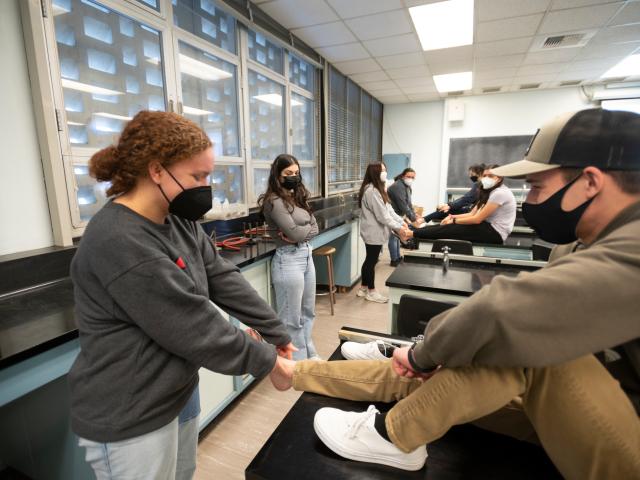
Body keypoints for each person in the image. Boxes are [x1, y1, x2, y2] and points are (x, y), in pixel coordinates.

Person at [270, 108, 640, 478]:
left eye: (539, 186)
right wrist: (426, 359)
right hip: (581, 410)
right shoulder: (581, 244)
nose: (532, 198)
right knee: (434, 376)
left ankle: (396, 434)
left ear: (590, 182)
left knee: (522, 344)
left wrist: (424, 353)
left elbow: (507, 312)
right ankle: (301, 373)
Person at [68, 111, 295, 479]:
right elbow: (192, 325)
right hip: (132, 409)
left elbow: (220, 275)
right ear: (157, 170)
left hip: (176, 388)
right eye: (198, 176)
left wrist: (275, 331)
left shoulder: (176, 219)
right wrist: (267, 361)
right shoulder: (119, 239)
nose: (206, 186)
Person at [259, 154, 320, 361]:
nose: (294, 177)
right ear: (278, 175)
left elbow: (314, 226)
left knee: (308, 312)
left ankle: (308, 353)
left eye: (296, 173)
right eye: (288, 173)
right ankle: (297, 362)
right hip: (288, 259)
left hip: (305, 254)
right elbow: (294, 234)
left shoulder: (296, 197)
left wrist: (299, 232)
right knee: (291, 318)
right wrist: (301, 232)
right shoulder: (274, 201)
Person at [408, 165, 516, 245]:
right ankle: (413, 232)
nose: (486, 178)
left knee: (452, 229)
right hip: (487, 227)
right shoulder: (488, 191)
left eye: (490, 176)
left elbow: (477, 219)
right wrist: (452, 217)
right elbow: (472, 213)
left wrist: (453, 220)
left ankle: (411, 233)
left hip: (495, 233)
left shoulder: (500, 193)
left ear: (499, 178)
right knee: (448, 225)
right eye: (485, 176)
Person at [356, 163, 411, 303]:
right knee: (371, 261)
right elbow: (383, 216)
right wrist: (399, 228)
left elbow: (389, 210)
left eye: (386, 170)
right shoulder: (372, 191)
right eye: (382, 170)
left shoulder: (379, 189)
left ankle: (363, 288)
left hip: (376, 231)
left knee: (369, 259)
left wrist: (401, 222)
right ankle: (371, 291)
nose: (385, 173)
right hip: (372, 232)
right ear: (375, 173)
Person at [387, 168, 423, 267]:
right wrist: (413, 219)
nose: (410, 179)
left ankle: (398, 257)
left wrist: (414, 214)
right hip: (393, 214)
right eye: (408, 176)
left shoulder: (406, 186)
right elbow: (402, 205)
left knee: (398, 237)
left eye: (412, 177)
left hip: (399, 215)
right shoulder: (398, 186)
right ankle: (394, 259)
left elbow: (409, 204)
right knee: (393, 237)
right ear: (403, 176)